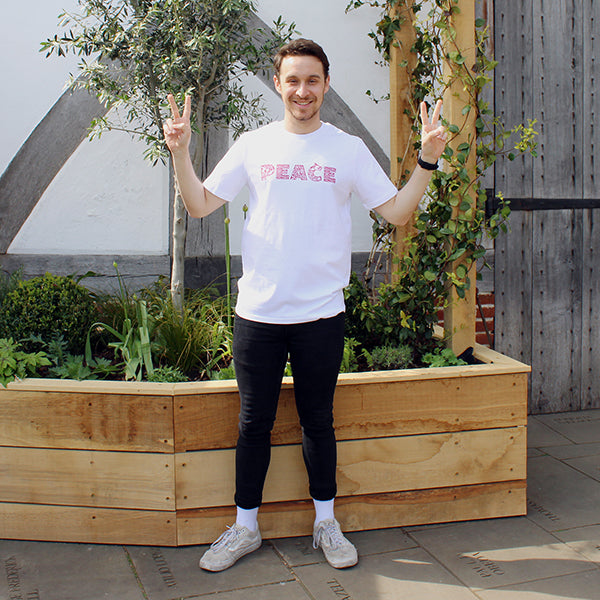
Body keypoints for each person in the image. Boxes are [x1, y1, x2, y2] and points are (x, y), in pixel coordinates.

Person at [163, 38, 446, 572]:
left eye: (312, 80)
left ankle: (325, 522)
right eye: (292, 80)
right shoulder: (254, 144)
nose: (302, 90)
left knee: (319, 421)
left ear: (325, 85)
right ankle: (245, 528)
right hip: (259, 315)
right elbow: (199, 204)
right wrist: (180, 153)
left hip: (320, 315)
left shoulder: (346, 148)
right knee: (254, 423)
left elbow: (398, 213)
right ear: (278, 84)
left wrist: (427, 160)